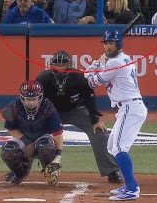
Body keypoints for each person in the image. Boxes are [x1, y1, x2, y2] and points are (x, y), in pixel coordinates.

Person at [36, 50, 122, 183]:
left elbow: (89, 96)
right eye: (57, 65)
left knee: (99, 132)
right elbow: (36, 100)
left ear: (69, 64)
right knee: (31, 132)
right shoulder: (43, 78)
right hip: (51, 112)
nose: (60, 68)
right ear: (51, 65)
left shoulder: (78, 76)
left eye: (63, 64)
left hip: (76, 110)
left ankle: (111, 171)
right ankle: (19, 171)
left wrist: (95, 120)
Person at [84, 29, 148, 200]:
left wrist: (93, 67)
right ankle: (128, 185)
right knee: (112, 147)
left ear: (118, 44)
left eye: (111, 43)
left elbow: (92, 82)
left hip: (130, 107)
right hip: (128, 108)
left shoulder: (115, 63)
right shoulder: (123, 59)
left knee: (119, 148)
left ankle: (132, 189)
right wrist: (102, 65)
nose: (107, 46)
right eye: (105, 43)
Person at [1, 80, 64, 186]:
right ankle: (20, 173)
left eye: (34, 99)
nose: (31, 102)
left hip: (43, 137)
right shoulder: (13, 108)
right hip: (23, 137)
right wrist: (26, 141)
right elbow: (10, 129)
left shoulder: (48, 108)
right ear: (22, 98)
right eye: (28, 99)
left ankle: (49, 170)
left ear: (39, 98)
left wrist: (58, 156)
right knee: (8, 151)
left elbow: (58, 133)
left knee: (45, 145)